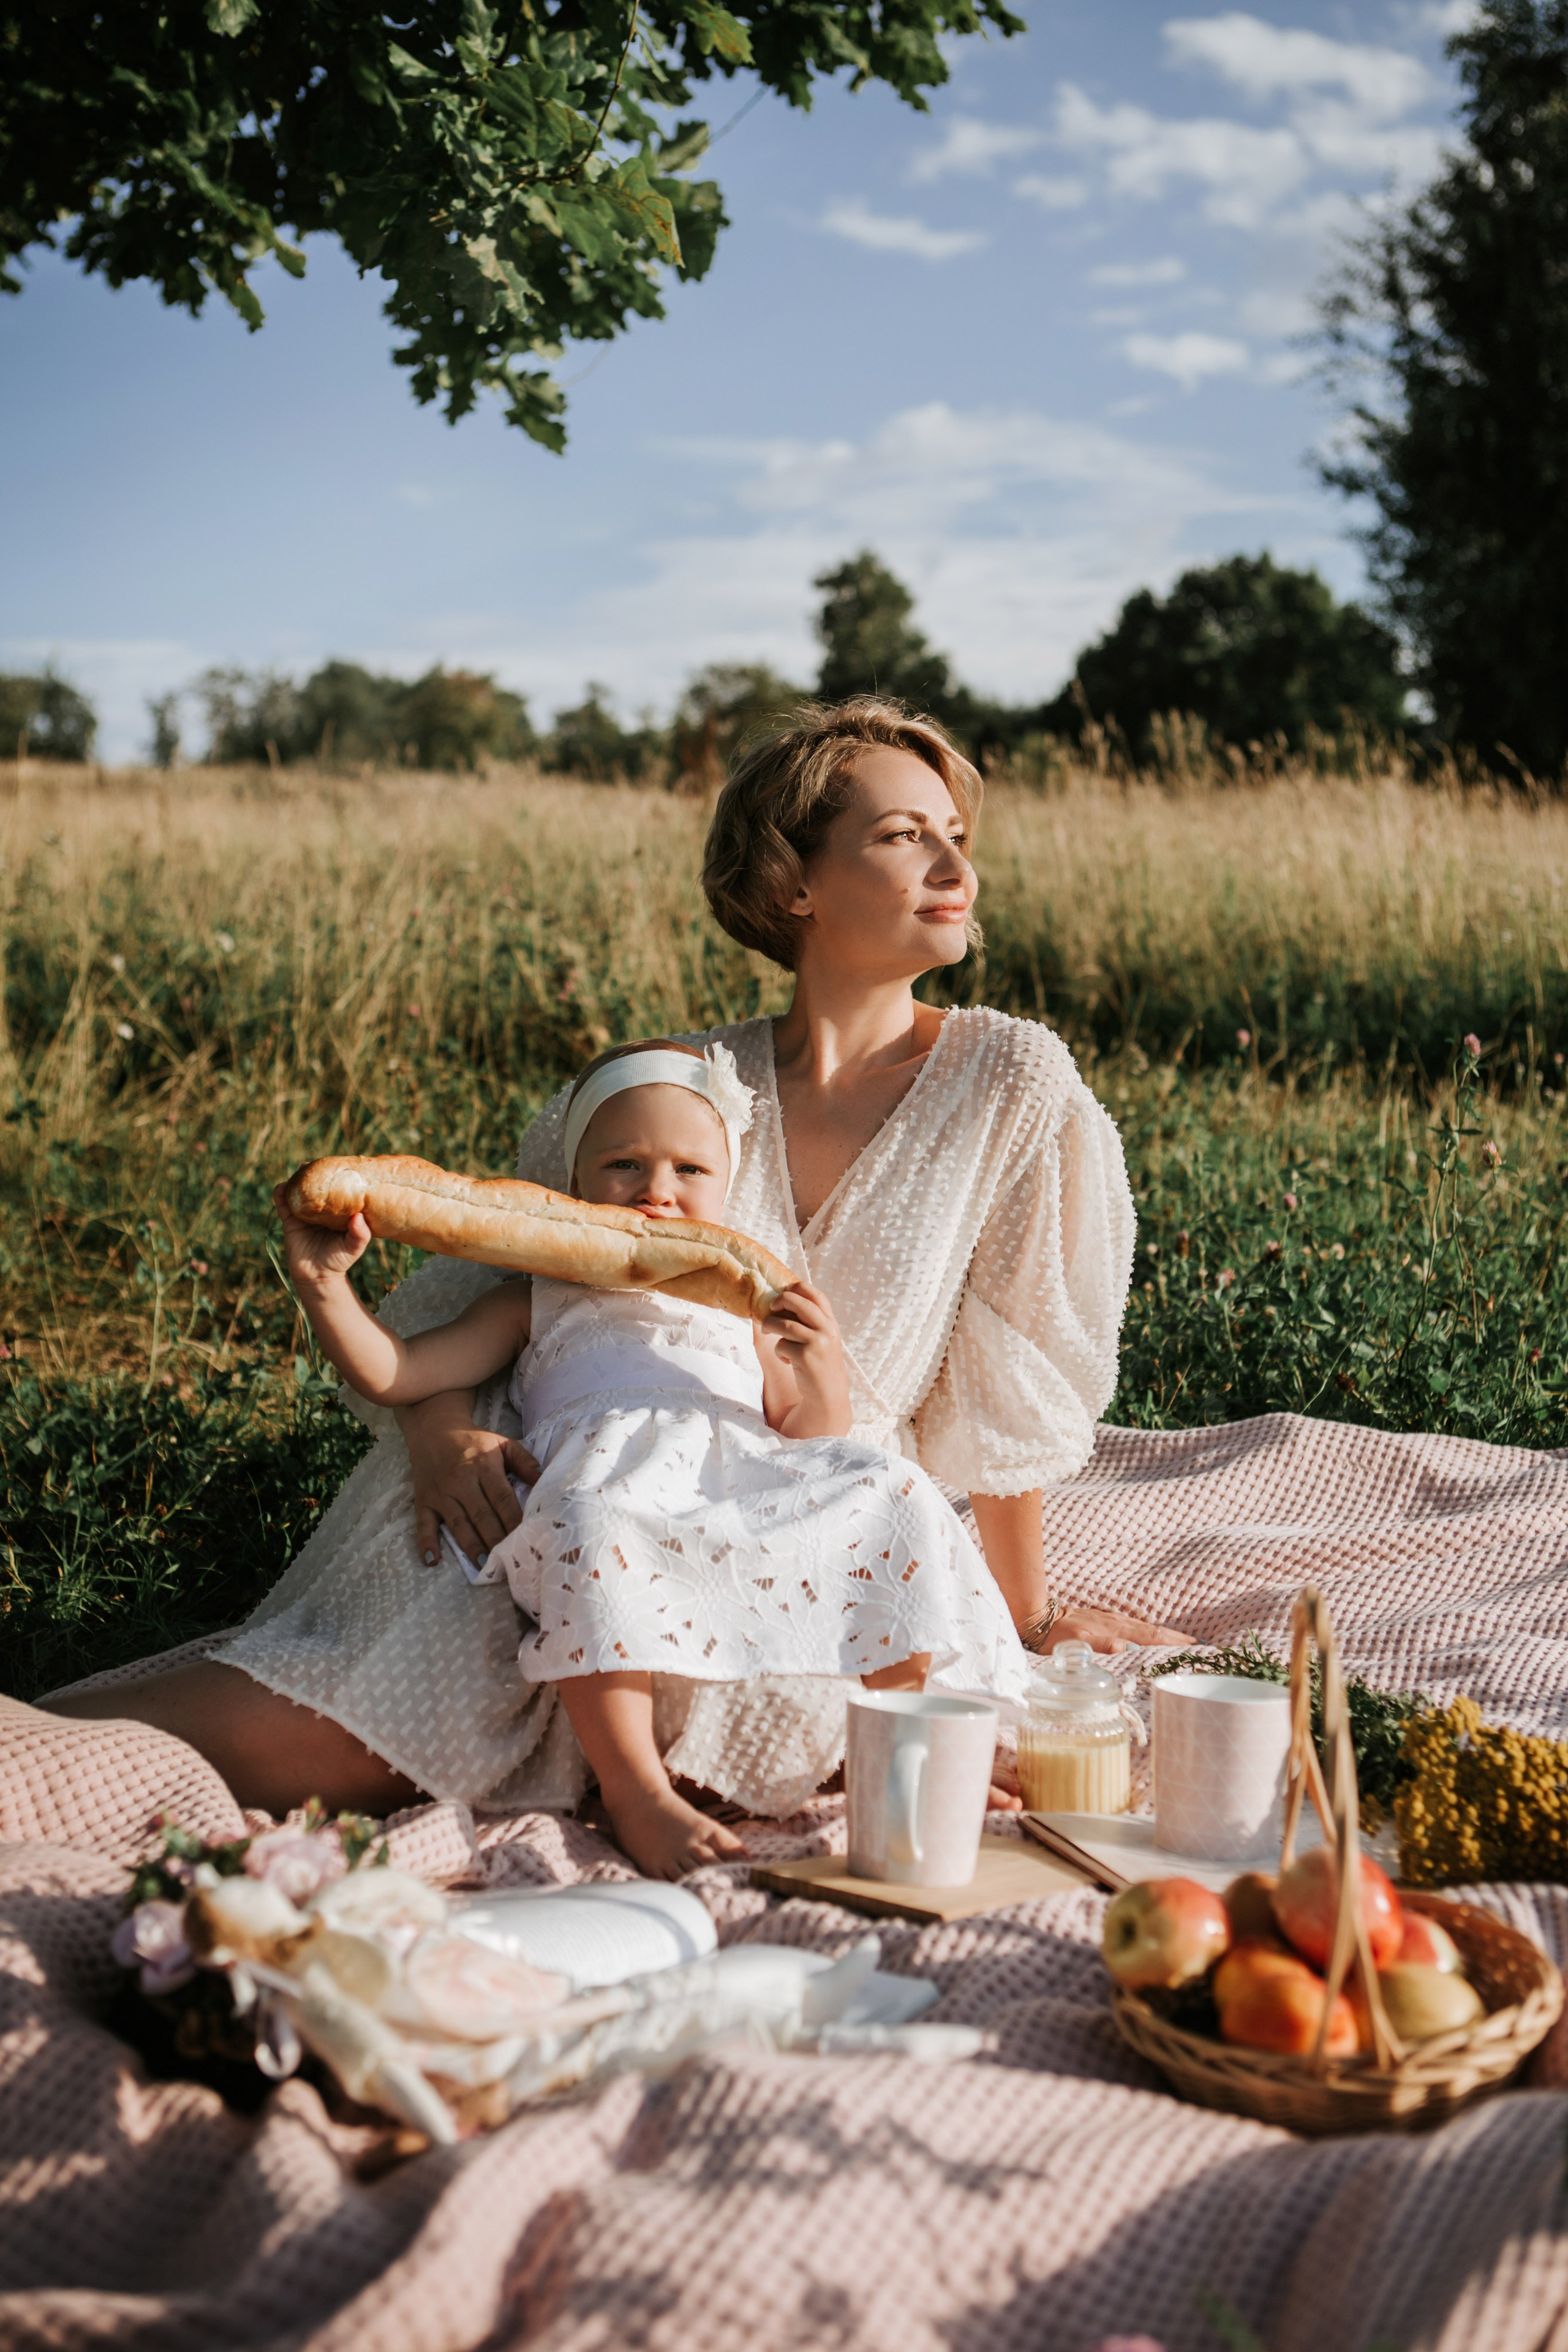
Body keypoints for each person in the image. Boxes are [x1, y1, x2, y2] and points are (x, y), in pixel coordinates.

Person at [52, 696, 1186, 1821]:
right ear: (795, 882)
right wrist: (442, 1435)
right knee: (347, 1736)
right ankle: (38, 1748)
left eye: (959, 837)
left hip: (811, 1505)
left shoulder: (1010, 1081)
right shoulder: (672, 1082)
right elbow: (489, 1288)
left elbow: (1009, 1387)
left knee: (892, 1749)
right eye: (904, 835)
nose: (955, 864)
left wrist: (1028, 1625)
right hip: (585, 1481)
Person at [276, 1036, 1028, 1875]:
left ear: (729, 1185)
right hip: (614, 1489)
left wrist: (815, 1363)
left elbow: (813, 1432)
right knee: (586, 1530)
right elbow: (399, 1372)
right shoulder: (540, 1297)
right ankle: (635, 1789)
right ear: (572, 1186)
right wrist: (324, 1287)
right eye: (624, 1165)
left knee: (890, 1487)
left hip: (740, 1479)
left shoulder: (743, 1302)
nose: (658, 1194)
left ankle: (909, 1748)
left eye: (690, 1172)